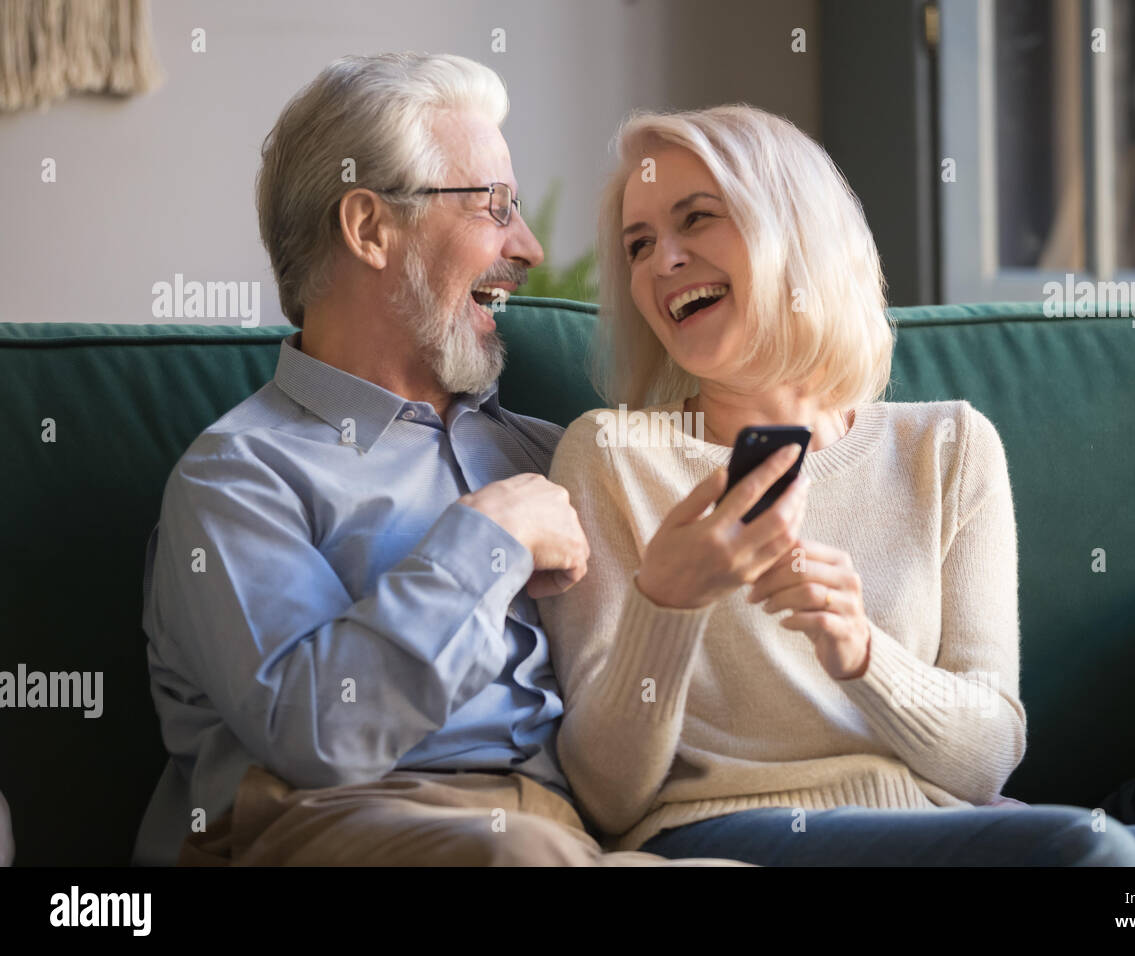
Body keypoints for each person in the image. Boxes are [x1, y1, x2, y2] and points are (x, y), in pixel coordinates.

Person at [536, 104, 1135, 867]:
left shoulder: (947, 446)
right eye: (638, 246)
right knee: (1086, 855)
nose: (661, 261)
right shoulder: (612, 455)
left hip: (938, 827)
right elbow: (607, 795)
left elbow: (986, 757)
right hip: (724, 829)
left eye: (696, 219)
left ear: (796, 231)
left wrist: (865, 653)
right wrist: (667, 601)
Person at [132, 53, 741, 868]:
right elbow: (320, 730)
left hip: (565, 834)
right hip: (322, 822)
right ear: (369, 228)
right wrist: (487, 540)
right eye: (496, 207)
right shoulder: (240, 478)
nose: (525, 246)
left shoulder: (553, 456)